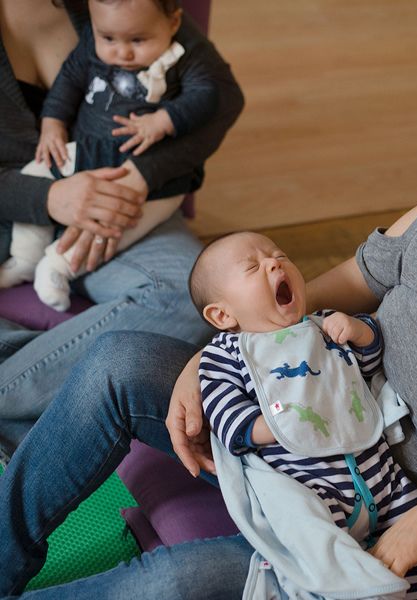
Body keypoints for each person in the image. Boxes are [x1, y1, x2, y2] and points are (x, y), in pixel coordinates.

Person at [0, 48, 417, 599]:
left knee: (173, 582)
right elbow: (348, 282)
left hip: (373, 552)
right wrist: (222, 349)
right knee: (117, 362)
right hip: (298, 440)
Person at [0, 0, 244, 455]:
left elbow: (223, 97)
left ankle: (17, 395)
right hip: (12, 215)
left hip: (127, 198)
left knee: (201, 297)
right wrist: (50, 198)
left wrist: (139, 178)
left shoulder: (122, 4)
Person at [191, 231, 417, 599]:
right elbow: (226, 419)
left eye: (279, 255)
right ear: (222, 314)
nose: (275, 263)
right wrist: (277, 423)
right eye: (253, 267)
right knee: (320, 549)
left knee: (416, 532)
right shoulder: (226, 355)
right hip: (312, 489)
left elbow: (367, 366)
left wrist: (360, 332)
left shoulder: (323, 327)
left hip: (383, 480)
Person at [1, 0, 219, 313]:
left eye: (137, 40)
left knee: (193, 298)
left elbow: (214, 97)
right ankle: (26, 264)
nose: (123, 53)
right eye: (108, 39)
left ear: (173, 23)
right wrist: (48, 194)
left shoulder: (148, 24)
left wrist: (159, 134)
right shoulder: (97, 35)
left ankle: (57, 267)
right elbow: (69, 80)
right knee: (36, 173)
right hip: (29, 198)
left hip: (138, 184)